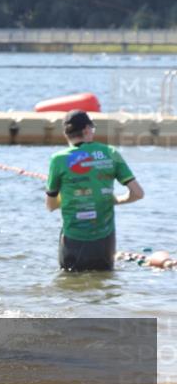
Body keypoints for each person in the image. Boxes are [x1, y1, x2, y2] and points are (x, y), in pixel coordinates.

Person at [45, 110, 144, 271]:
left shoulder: (58, 159)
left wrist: (67, 194)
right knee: (104, 283)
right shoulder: (110, 153)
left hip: (73, 238)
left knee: (69, 284)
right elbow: (138, 193)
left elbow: (51, 206)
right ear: (85, 130)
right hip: (104, 240)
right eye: (92, 128)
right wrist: (117, 200)